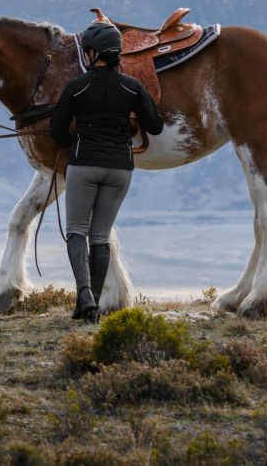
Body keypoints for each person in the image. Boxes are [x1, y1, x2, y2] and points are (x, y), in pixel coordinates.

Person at [49, 20, 164, 321]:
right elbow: (156, 125)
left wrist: (74, 140)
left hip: (84, 164)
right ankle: (91, 308)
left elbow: (56, 129)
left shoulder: (76, 87)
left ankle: (84, 294)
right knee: (99, 236)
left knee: (76, 230)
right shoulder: (133, 87)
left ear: (92, 52)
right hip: (120, 169)